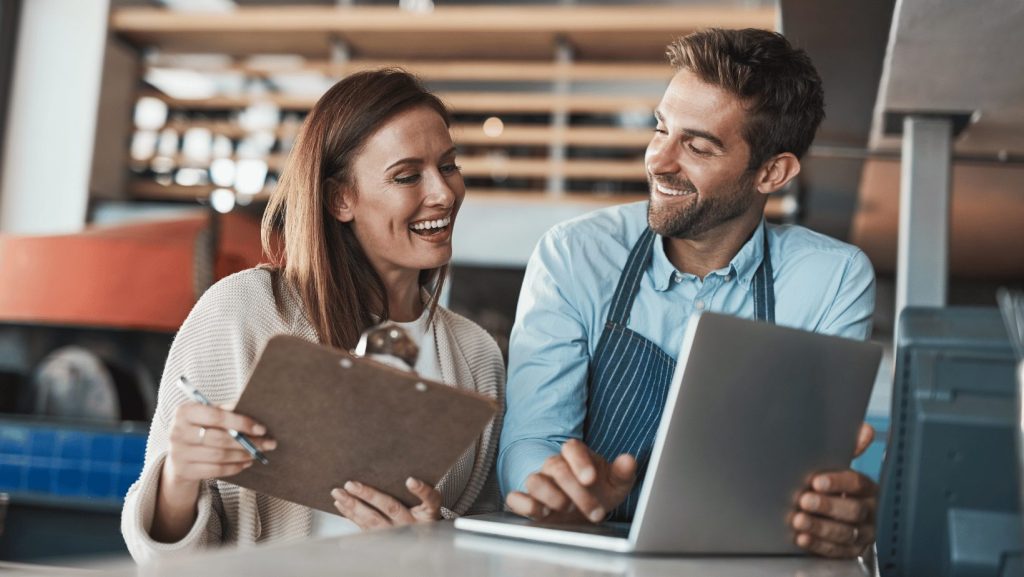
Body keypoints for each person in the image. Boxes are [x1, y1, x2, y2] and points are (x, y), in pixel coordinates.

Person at [498, 28, 877, 559]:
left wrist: (831, 513)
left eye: (697, 146)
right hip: (583, 552)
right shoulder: (573, 255)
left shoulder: (832, 279)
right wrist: (554, 490)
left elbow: (810, 480)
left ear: (772, 172)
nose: (659, 160)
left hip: (738, 560)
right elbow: (530, 439)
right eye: (661, 128)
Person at [122, 69, 504, 563]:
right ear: (339, 199)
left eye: (448, 165)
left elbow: (491, 544)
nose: (444, 194)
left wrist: (436, 540)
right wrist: (178, 478)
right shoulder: (242, 312)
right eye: (408, 176)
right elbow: (159, 556)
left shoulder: (477, 356)